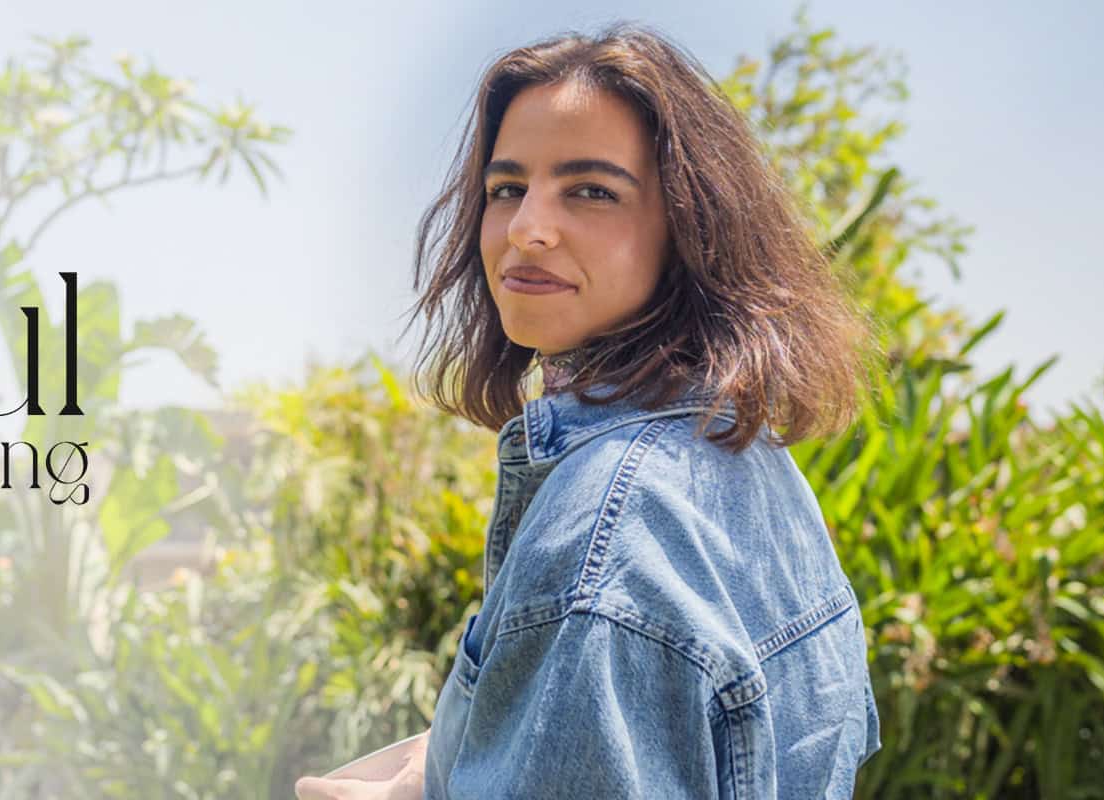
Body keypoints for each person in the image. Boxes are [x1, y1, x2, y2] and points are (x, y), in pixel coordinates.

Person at [295, 21, 883, 800]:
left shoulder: (609, 530)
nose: (528, 229)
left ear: (689, 228)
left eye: (591, 191)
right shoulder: (741, 455)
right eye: (507, 189)